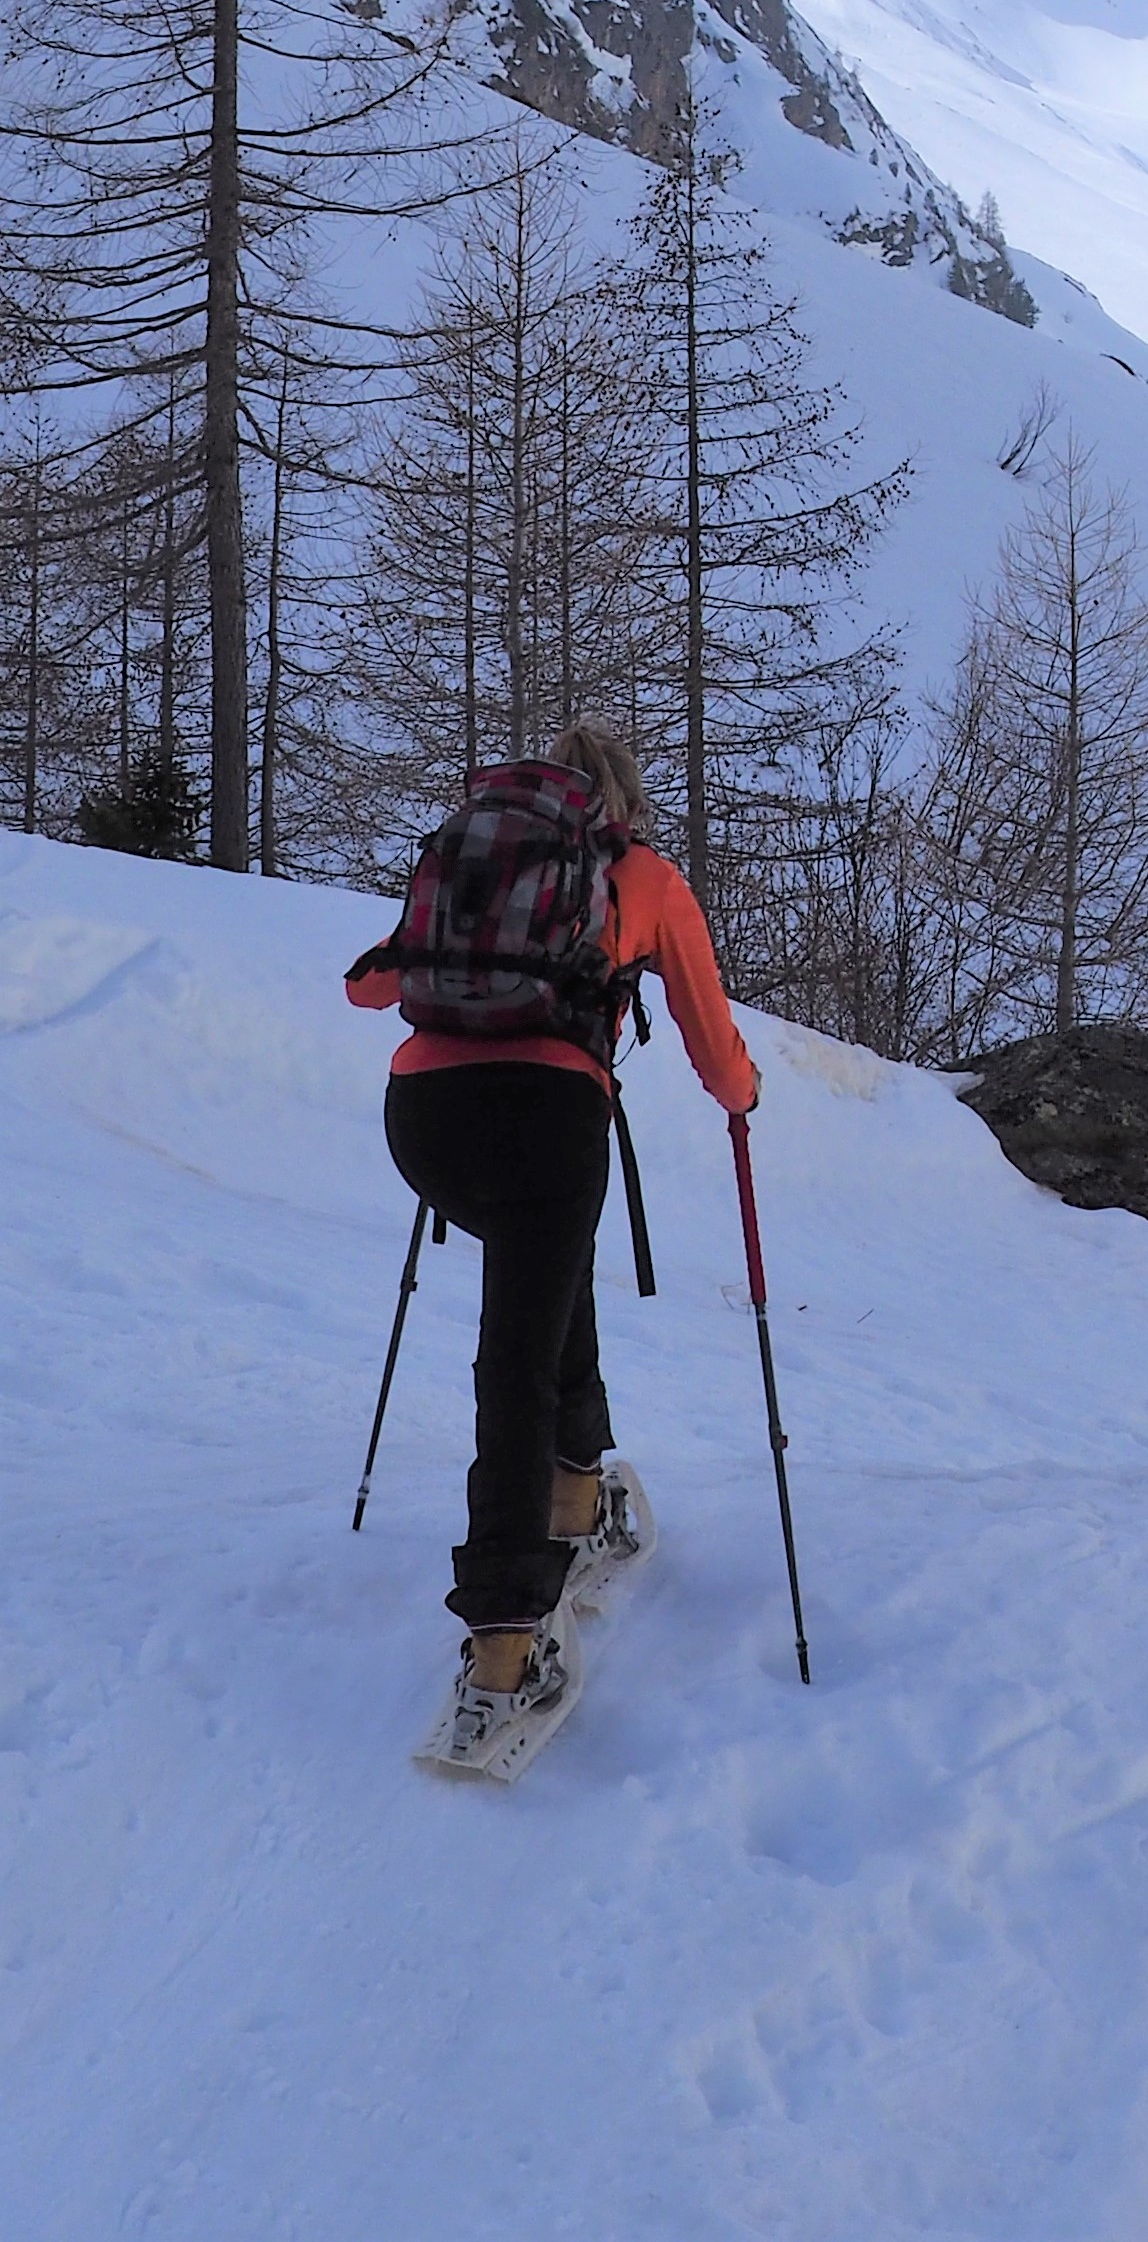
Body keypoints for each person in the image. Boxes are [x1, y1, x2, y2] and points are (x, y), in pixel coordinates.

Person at [346, 710, 758, 1753]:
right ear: (623, 802)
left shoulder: (473, 860)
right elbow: (712, 1037)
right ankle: (503, 1639)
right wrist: (741, 1096)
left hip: (425, 1124)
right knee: (517, 1359)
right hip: (549, 1116)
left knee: (544, 1283)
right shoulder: (647, 879)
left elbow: (370, 986)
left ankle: (578, 1490)